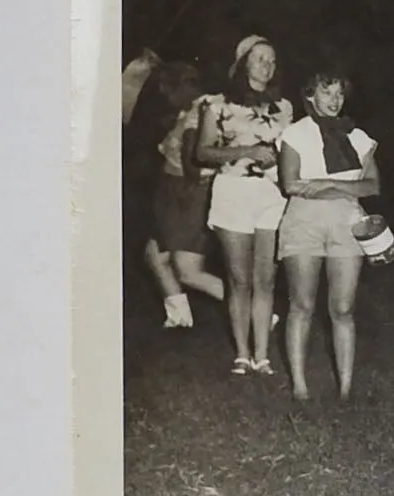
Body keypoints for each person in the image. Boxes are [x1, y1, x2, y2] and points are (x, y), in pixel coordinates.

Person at [275, 70, 381, 402]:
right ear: (310, 96)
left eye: (339, 94)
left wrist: (326, 184)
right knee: (302, 304)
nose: (334, 100)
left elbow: (373, 186)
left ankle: (346, 388)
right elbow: (290, 184)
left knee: (343, 307)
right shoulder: (294, 134)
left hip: (347, 222)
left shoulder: (358, 136)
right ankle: (300, 386)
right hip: (303, 222)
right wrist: (341, 189)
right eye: (326, 93)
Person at [194, 35, 294, 376]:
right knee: (239, 279)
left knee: (266, 278)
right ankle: (241, 353)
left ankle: (262, 356)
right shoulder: (217, 104)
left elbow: (290, 153)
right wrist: (246, 153)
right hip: (232, 192)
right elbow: (202, 152)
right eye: (260, 59)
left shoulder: (284, 107)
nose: (267, 66)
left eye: (272, 60)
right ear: (243, 64)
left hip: (271, 195)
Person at [142, 62, 225, 329]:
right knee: (155, 255)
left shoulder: (205, 108)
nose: (166, 97)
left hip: (191, 192)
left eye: (169, 90)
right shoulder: (183, 113)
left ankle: (258, 313)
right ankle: (179, 317)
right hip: (170, 190)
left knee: (189, 271)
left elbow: (196, 161)